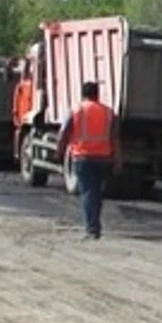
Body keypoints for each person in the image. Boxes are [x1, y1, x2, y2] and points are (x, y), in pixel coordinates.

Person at [55, 81, 120, 241]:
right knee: (97, 193)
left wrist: (59, 151)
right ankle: (94, 225)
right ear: (97, 94)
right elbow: (115, 138)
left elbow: (63, 133)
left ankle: (92, 229)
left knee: (88, 193)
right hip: (104, 158)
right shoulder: (109, 113)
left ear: (83, 94)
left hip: (83, 157)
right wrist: (118, 159)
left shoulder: (76, 110)